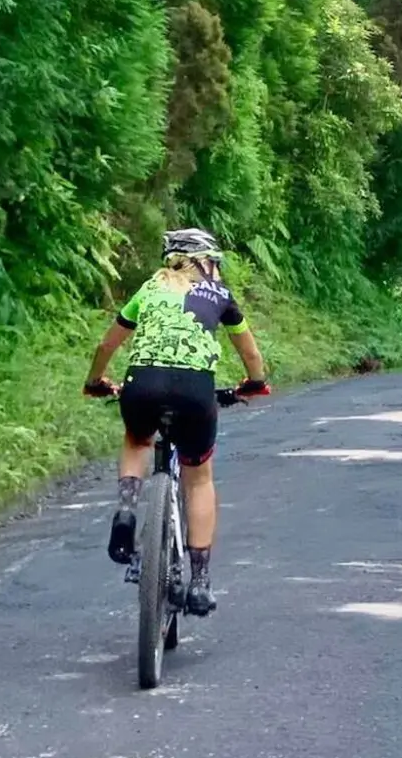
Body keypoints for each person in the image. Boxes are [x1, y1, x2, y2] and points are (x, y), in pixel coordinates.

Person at [83, 228, 268, 616]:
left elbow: (107, 345)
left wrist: (96, 381)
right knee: (198, 477)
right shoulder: (219, 296)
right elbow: (250, 353)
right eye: (213, 260)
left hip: (141, 385)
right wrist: (254, 384)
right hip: (195, 391)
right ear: (202, 260)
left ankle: (127, 511)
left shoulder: (150, 288)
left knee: (137, 439)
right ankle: (200, 582)